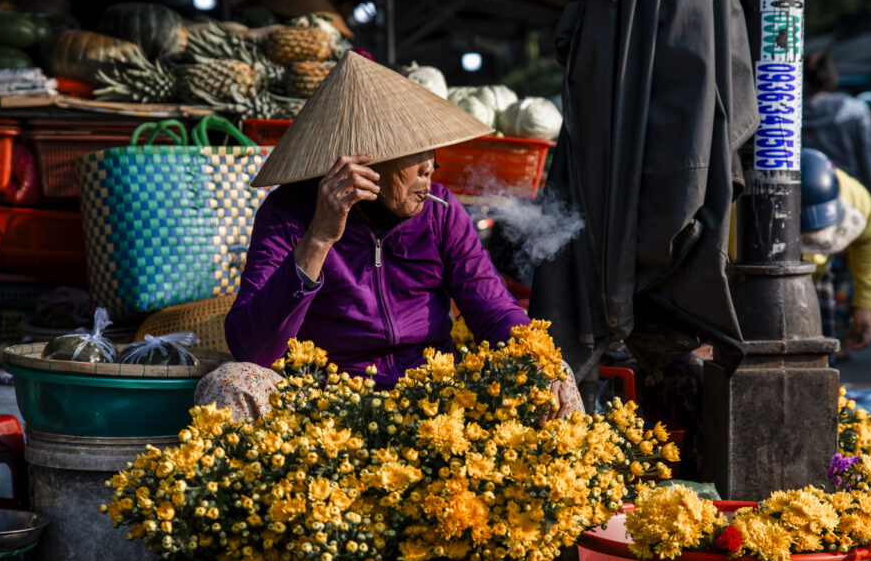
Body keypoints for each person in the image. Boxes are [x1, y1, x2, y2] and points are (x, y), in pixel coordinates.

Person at [196, 51, 583, 420]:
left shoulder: (441, 212)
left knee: (552, 372)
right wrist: (318, 240)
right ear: (363, 162)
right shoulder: (289, 213)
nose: (430, 166)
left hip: (435, 400)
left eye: (430, 149)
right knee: (230, 383)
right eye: (413, 151)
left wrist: (536, 358)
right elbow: (251, 348)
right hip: (324, 404)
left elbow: (493, 308)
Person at [800, 148, 871, 356]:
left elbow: (869, 250)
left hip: (816, 277)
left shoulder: (856, 200)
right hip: (756, 279)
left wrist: (865, 307)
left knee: (819, 358)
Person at [802, 52, 871, 232]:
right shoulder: (855, 110)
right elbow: (868, 161)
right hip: (852, 200)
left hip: (808, 200)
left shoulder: (794, 114)